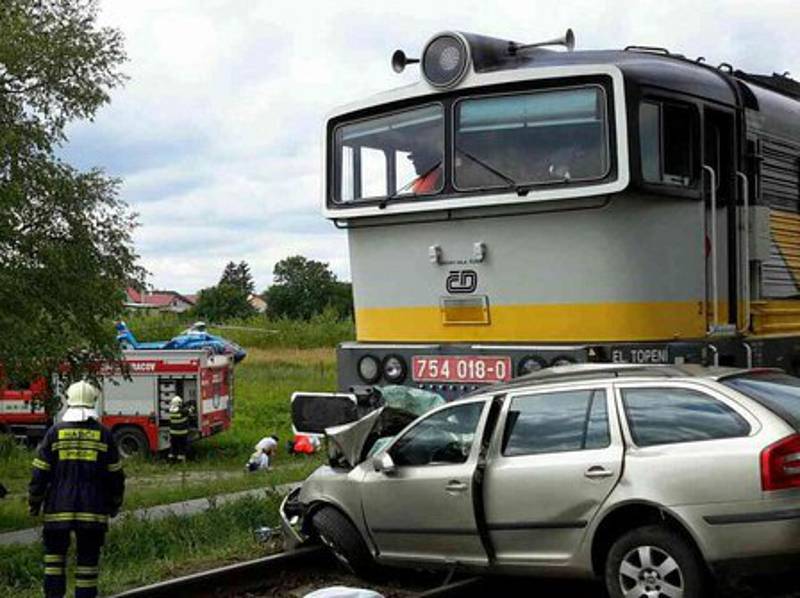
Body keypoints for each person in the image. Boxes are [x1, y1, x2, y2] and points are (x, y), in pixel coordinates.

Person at [28, 380, 125, 598]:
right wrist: (114, 503)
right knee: (87, 567)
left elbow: (40, 473)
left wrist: (34, 502)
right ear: (93, 402)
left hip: (57, 510)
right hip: (93, 511)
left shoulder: (55, 433)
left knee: (53, 563)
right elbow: (115, 476)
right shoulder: (104, 434)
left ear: (69, 402)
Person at [168, 396, 190, 462]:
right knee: (182, 447)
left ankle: (171, 459)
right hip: (181, 433)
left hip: (173, 433)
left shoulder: (171, 411)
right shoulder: (182, 411)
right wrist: (190, 407)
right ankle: (181, 460)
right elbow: (189, 411)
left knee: (173, 447)